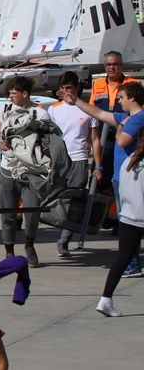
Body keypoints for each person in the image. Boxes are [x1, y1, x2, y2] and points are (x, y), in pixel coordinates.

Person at [64, 78, 144, 280]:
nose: (120, 102)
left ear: (133, 98)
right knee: (128, 221)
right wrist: (76, 101)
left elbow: (123, 139)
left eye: (123, 98)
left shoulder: (137, 118)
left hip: (131, 180)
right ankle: (132, 262)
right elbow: (99, 113)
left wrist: (119, 127)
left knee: (130, 222)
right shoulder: (127, 116)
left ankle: (133, 264)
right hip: (121, 178)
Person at [0, 76, 51, 267]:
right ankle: (9, 251)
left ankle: (30, 245)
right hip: (8, 168)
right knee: (7, 211)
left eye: (14, 93)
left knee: (32, 211)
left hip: (31, 170)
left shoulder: (40, 114)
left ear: (25, 94)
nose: (10, 97)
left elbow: (49, 140)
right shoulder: (5, 110)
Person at [48, 71, 100, 257]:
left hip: (79, 159)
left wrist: (98, 166)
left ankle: (64, 240)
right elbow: (50, 137)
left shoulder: (88, 109)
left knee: (74, 201)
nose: (65, 92)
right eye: (62, 88)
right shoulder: (54, 109)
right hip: (59, 160)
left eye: (68, 88)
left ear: (77, 88)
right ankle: (58, 228)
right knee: (57, 199)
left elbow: (95, 140)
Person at [96, 138, 144, 317]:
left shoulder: (129, 160)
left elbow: (120, 188)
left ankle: (105, 299)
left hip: (128, 217)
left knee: (122, 260)